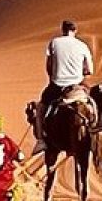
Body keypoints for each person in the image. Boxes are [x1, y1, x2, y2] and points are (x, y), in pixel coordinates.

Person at [32, 20, 95, 155]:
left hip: (58, 85)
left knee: (41, 107)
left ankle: (41, 140)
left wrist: (54, 75)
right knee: (94, 105)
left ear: (62, 30)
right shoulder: (83, 45)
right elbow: (90, 70)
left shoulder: (54, 43)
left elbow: (49, 65)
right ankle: (96, 132)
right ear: (75, 31)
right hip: (77, 85)